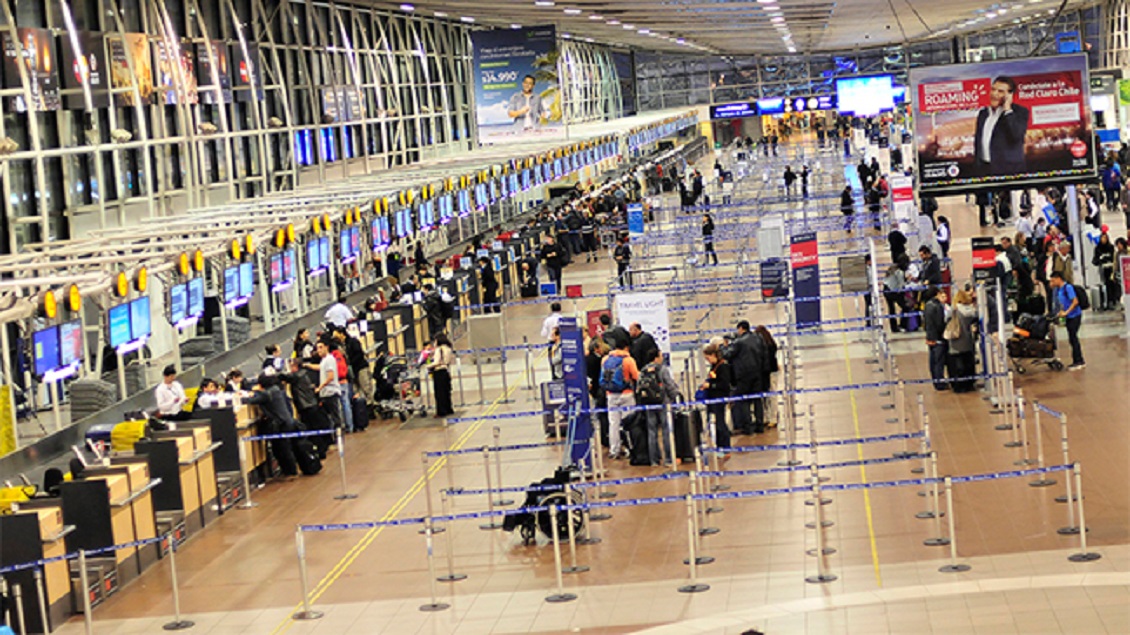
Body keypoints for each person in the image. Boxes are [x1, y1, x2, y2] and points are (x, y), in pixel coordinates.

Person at [243, 374, 300, 476]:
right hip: (285, 421)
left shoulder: (266, 394)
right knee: (281, 447)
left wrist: (254, 391)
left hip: (281, 424)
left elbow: (250, 401)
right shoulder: (275, 389)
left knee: (283, 448)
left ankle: (290, 471)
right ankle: (288, 470)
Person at [974, 76, 1030, 176]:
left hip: (1009, 171)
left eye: (1000, 91)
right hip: (984, 169)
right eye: (993, 89)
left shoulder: (1019, 112)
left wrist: (1007, 110)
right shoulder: (983, 113)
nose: (994, 94)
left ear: (1009, 95)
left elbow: (1016, 135)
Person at [724, 320, 768, 435]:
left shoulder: (739, 342)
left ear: (741, 329)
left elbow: (728, 355)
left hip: (743, 375)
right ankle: (760, 425)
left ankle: (747, 427)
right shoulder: (758, 338)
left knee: (744, 401)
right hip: (757, 373)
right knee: (757, 400)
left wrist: (724, 347)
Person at [281, 358, 331, 458]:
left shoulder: (297, 376)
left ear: (295, 366)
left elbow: (284, 377)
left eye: (291, 366)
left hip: (306, 407)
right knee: (315, 428)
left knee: (312, 430)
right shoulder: (305, 373)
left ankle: (320, 451)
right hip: (311, 404)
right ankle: (321, 449)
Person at [637, 348, 680, 466]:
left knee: (652, 431)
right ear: (656, 358)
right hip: (663, 402)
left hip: (649, 404)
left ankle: (654, 460)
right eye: (660, 356)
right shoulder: (662, 369)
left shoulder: (643, 370)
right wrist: (675, 396)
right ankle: (669, 459)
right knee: (666, 429)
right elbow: (669, 385)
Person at [600, 337, 639, 460]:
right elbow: (636, 376)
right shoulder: (628, 360)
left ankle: (614, 449)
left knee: (613, 424)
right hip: (626, 394)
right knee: (629, 423)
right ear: (626, 347)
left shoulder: (605, 359)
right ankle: (630, 448)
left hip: (610, 394)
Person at [1050, 271, 1085, 370]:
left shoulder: (1068, 288)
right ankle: (1076, 360)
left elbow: (1075, 302)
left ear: (1058, 279)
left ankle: (1079, 361)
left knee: (1073, 338)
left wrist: (1067, 312)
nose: (1052, 283)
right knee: (1071, 338)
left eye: (1053, 280)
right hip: (1069, 317)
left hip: (1074, 316)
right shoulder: (1059, 290)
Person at [699, 343, 732, 449]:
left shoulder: (723, 367)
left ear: (713, 355)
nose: (707, 360)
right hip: (712, 399)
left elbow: (725, 384)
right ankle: (719, 446)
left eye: (708, 358)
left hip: (719, 398)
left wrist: (711, 385)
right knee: (715, 424)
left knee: (720, 424)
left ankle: (725, 447)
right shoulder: (714, 366)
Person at [946, 289, 979, 393]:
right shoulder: (972, 312)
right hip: (968, 341)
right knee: (968, 363)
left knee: (957, 365)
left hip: (956, 341)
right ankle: (969, 384)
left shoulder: (954, 311)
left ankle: (959, 386)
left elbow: (946, 320)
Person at [312, 340, 344, 430]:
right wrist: (308, 365)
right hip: (326, 393)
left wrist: (320, 388)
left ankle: (338, 436)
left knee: (335, 417)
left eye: (321, 347)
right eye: (317, 348)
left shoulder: (329, 359)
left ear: (327, 347)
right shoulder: (324, 360)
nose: (319, 350)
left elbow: (330, 377)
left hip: (331, 392)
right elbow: (320, 367)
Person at [922, 285, 950, 391]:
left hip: (930, 336)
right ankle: (940, 382)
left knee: (932, 361)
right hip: (938, 338)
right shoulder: (937, 306)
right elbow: (939, 323)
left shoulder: (928, 305)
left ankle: (935, 380)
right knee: (939, 362)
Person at [753, 325, 779, 428]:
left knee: (767, 396)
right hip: (773, 371)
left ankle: (769, 417)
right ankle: (773, 417)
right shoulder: (771, 344)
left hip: (765, 373)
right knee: (772, 395)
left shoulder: (761, 347)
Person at [427, 334, 456, 417]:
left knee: (439, 393)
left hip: (439, 371)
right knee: (446, 392)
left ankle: (441, 411)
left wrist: (428, 366)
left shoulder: (439, 349)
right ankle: (448, 409)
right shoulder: (448, 348)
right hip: (446, 371)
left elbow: (436, 362)